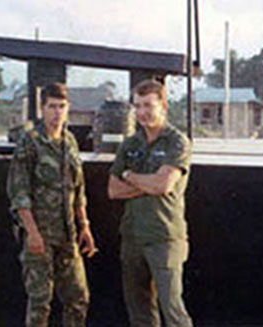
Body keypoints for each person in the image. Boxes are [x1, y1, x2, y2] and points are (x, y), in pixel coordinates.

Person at [7, 82, 97, 327]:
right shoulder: (30, 142)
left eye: (62, 106)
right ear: (42, 108)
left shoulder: (69, 142)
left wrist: (84, 226)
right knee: (40, 302)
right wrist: (33, 234)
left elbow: (78, 190)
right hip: (40, 235)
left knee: (79, 298)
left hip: (67, 235)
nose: (57, 112)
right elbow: (19, 193)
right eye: (52, 107)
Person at [107, 79, 193, 327]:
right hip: (133, 237)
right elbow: (113, 190)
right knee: (140, 312)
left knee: (173, 311)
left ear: (163, 105)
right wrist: (148, 184)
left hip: (164, 238)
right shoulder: (130, 144)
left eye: (148, 105)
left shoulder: (177, 142)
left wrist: (130, 176)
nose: (142, 112)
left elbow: (162, 186)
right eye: (137, 106)